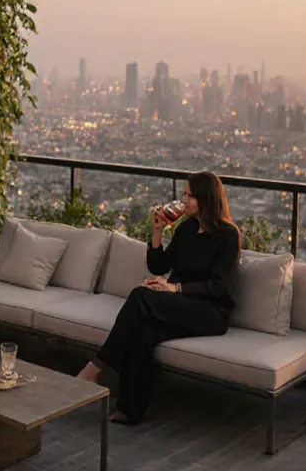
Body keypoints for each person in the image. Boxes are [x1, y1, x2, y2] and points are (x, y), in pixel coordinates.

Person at [75, 171, 241, 424]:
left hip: (211, 312)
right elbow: (159, 266)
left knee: (141, 296)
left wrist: (176, 289)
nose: (184, 200)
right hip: (182, 306)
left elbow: (219, 286)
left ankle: (94, 369)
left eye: (190, 195)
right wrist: (157, 233)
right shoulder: (186, 228)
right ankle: (131, 410)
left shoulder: (228, 235)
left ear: (207, 199)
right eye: (184, 194)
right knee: (143, 329)